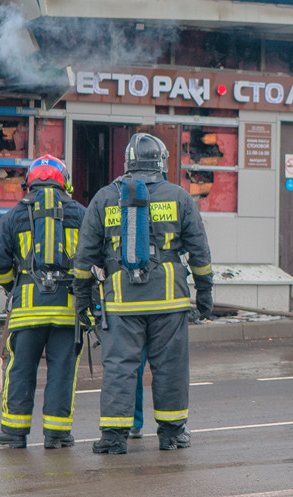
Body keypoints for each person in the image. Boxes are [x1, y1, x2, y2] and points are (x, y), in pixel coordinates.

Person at [73, 133, 214, 454]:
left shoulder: (104, 198)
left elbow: (84, 258)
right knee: (170, 368)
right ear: (161, 163)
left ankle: (114, 438)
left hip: (121, 301)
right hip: (170, 301)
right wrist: (204, 296)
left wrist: (83, 301)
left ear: (128, 163)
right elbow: (200, 253)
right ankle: (172, 435)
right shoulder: (179, 197)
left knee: (120, 367)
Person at [0, 155, 87, 449]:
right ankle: (57, 435)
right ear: (64, 181)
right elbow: (93, 257)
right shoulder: (81, 214)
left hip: (27, 310)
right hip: (68, 310)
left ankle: (14, 433)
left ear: (30, 182)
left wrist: (13, 287)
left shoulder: (15, 215)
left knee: (21, 369)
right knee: (62, 371)